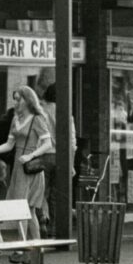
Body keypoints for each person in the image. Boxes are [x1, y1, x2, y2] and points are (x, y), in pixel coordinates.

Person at [0, 86, 52, 263]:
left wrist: (31, 155)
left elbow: (48, 144)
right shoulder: (15, 120)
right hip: (19, 167)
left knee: (28, 209)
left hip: (31, 167)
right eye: (15, 99)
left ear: (28, 100)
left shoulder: (37, 119)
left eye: (19, 99)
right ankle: (34, 250)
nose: (16, 103)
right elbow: (9, 145)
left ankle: (24, 249)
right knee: (26, 210)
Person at [40, 84, 77, 238]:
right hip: (61, 157)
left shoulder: (40, 112)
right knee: (57, 195)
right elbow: (72, 141)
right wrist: (71, 163)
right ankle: (54, 229)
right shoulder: (66, 114)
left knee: (40, 193)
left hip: (42, 155)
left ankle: (42, 221)